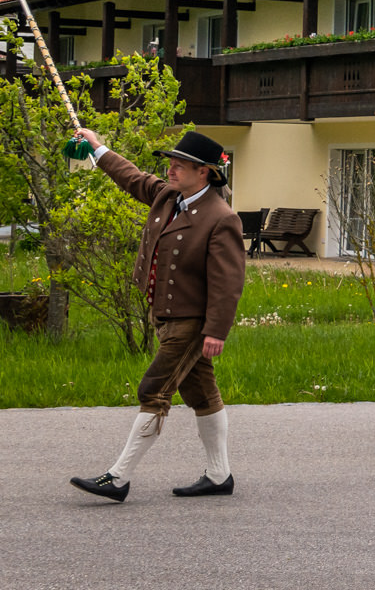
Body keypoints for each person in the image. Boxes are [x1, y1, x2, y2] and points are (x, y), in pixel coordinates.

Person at [67, 128, 244, 502]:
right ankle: (219, 475)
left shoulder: (220, 217)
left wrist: (216, 330)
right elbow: (131, 176)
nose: (171, 168)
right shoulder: (168, 197)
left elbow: (227, 282)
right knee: (201, 393)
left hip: (192, 322)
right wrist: (97, 147)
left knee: (153, 390)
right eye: (171, 162)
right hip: (166, 315)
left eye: (181, 164)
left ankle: (118, 478)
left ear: (205, 172)